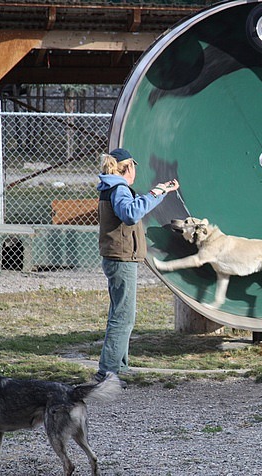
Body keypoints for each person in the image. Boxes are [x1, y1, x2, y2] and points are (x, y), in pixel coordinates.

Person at [95, 147, 179, 388]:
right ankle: (108, 373)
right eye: (134, 168)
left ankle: (118, 367)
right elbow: (131, 214)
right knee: (123, 317)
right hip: (121, 258)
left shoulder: (110, 186)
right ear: (129, 168)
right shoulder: (119, 187)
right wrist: (155, 192)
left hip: (117, 256)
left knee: (120, 315)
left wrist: (159, 192)